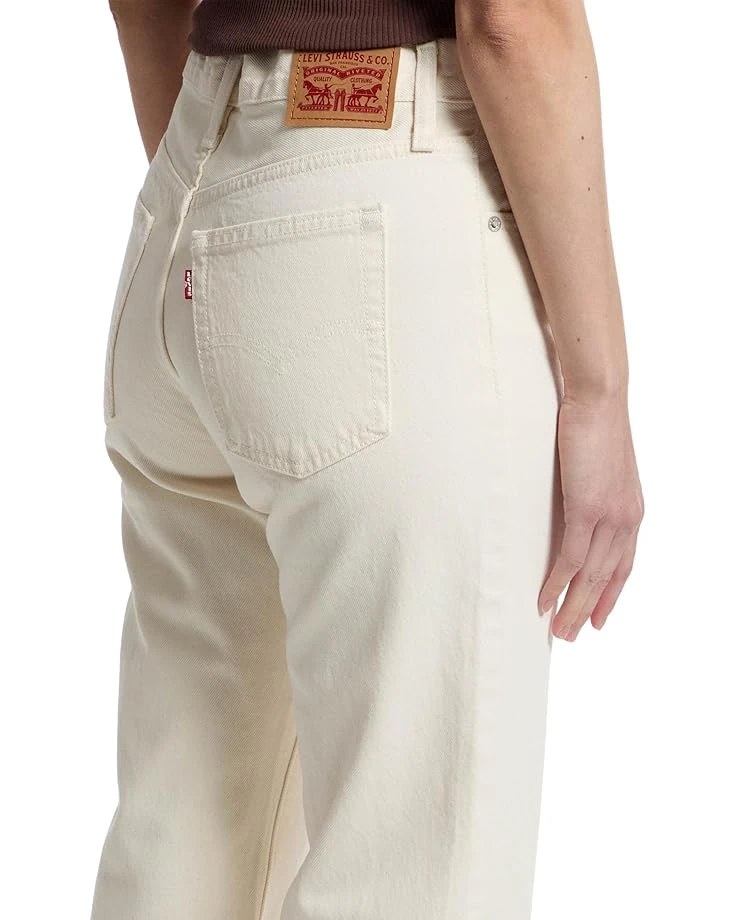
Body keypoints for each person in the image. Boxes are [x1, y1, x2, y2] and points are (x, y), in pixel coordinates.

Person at [91, 1, 645, 918]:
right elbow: (512, 21)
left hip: (184, 205)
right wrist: (600, 389)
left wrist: (237, 231)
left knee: (184, 836)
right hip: (383, 229)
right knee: (415, 878)